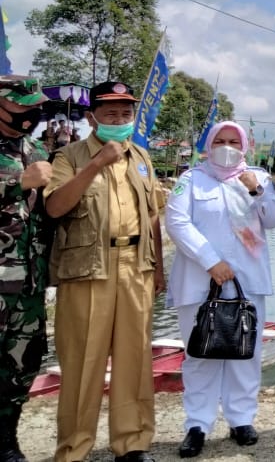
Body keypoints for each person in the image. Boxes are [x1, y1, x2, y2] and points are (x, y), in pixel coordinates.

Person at [44, 81, 166, 462]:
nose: (120, 119)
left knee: (135, 360)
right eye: (111, 112)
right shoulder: (69, 156)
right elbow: (55, 208)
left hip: (136, 268)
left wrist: (159, 267)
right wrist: (97, 163)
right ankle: (74, 448)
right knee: (82, 362)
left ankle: (131, 444)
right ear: (91, 117)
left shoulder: (141, 156)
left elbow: (153, 216)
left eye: (126, 112)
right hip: (87, 270)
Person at [166, 121, 275, 456]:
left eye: (233, 140)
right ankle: (197, 424)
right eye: (219, 140)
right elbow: (177, 222)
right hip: (199, 281)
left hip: (248, 282)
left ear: (245, 144)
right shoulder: (190, 180)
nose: (226, 146)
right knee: (199, 353)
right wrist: (210, 260)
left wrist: (257, 190)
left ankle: (241, 419)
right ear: (207, 143)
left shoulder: (258, 177)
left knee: (245, 352)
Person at [0, 76, 52, 462]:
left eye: (34, 107)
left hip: (29, 281)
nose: (31, 113)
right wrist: (17, 181)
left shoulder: (34, 147)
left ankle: (5, 441)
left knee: (24, 362)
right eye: (22, 107)